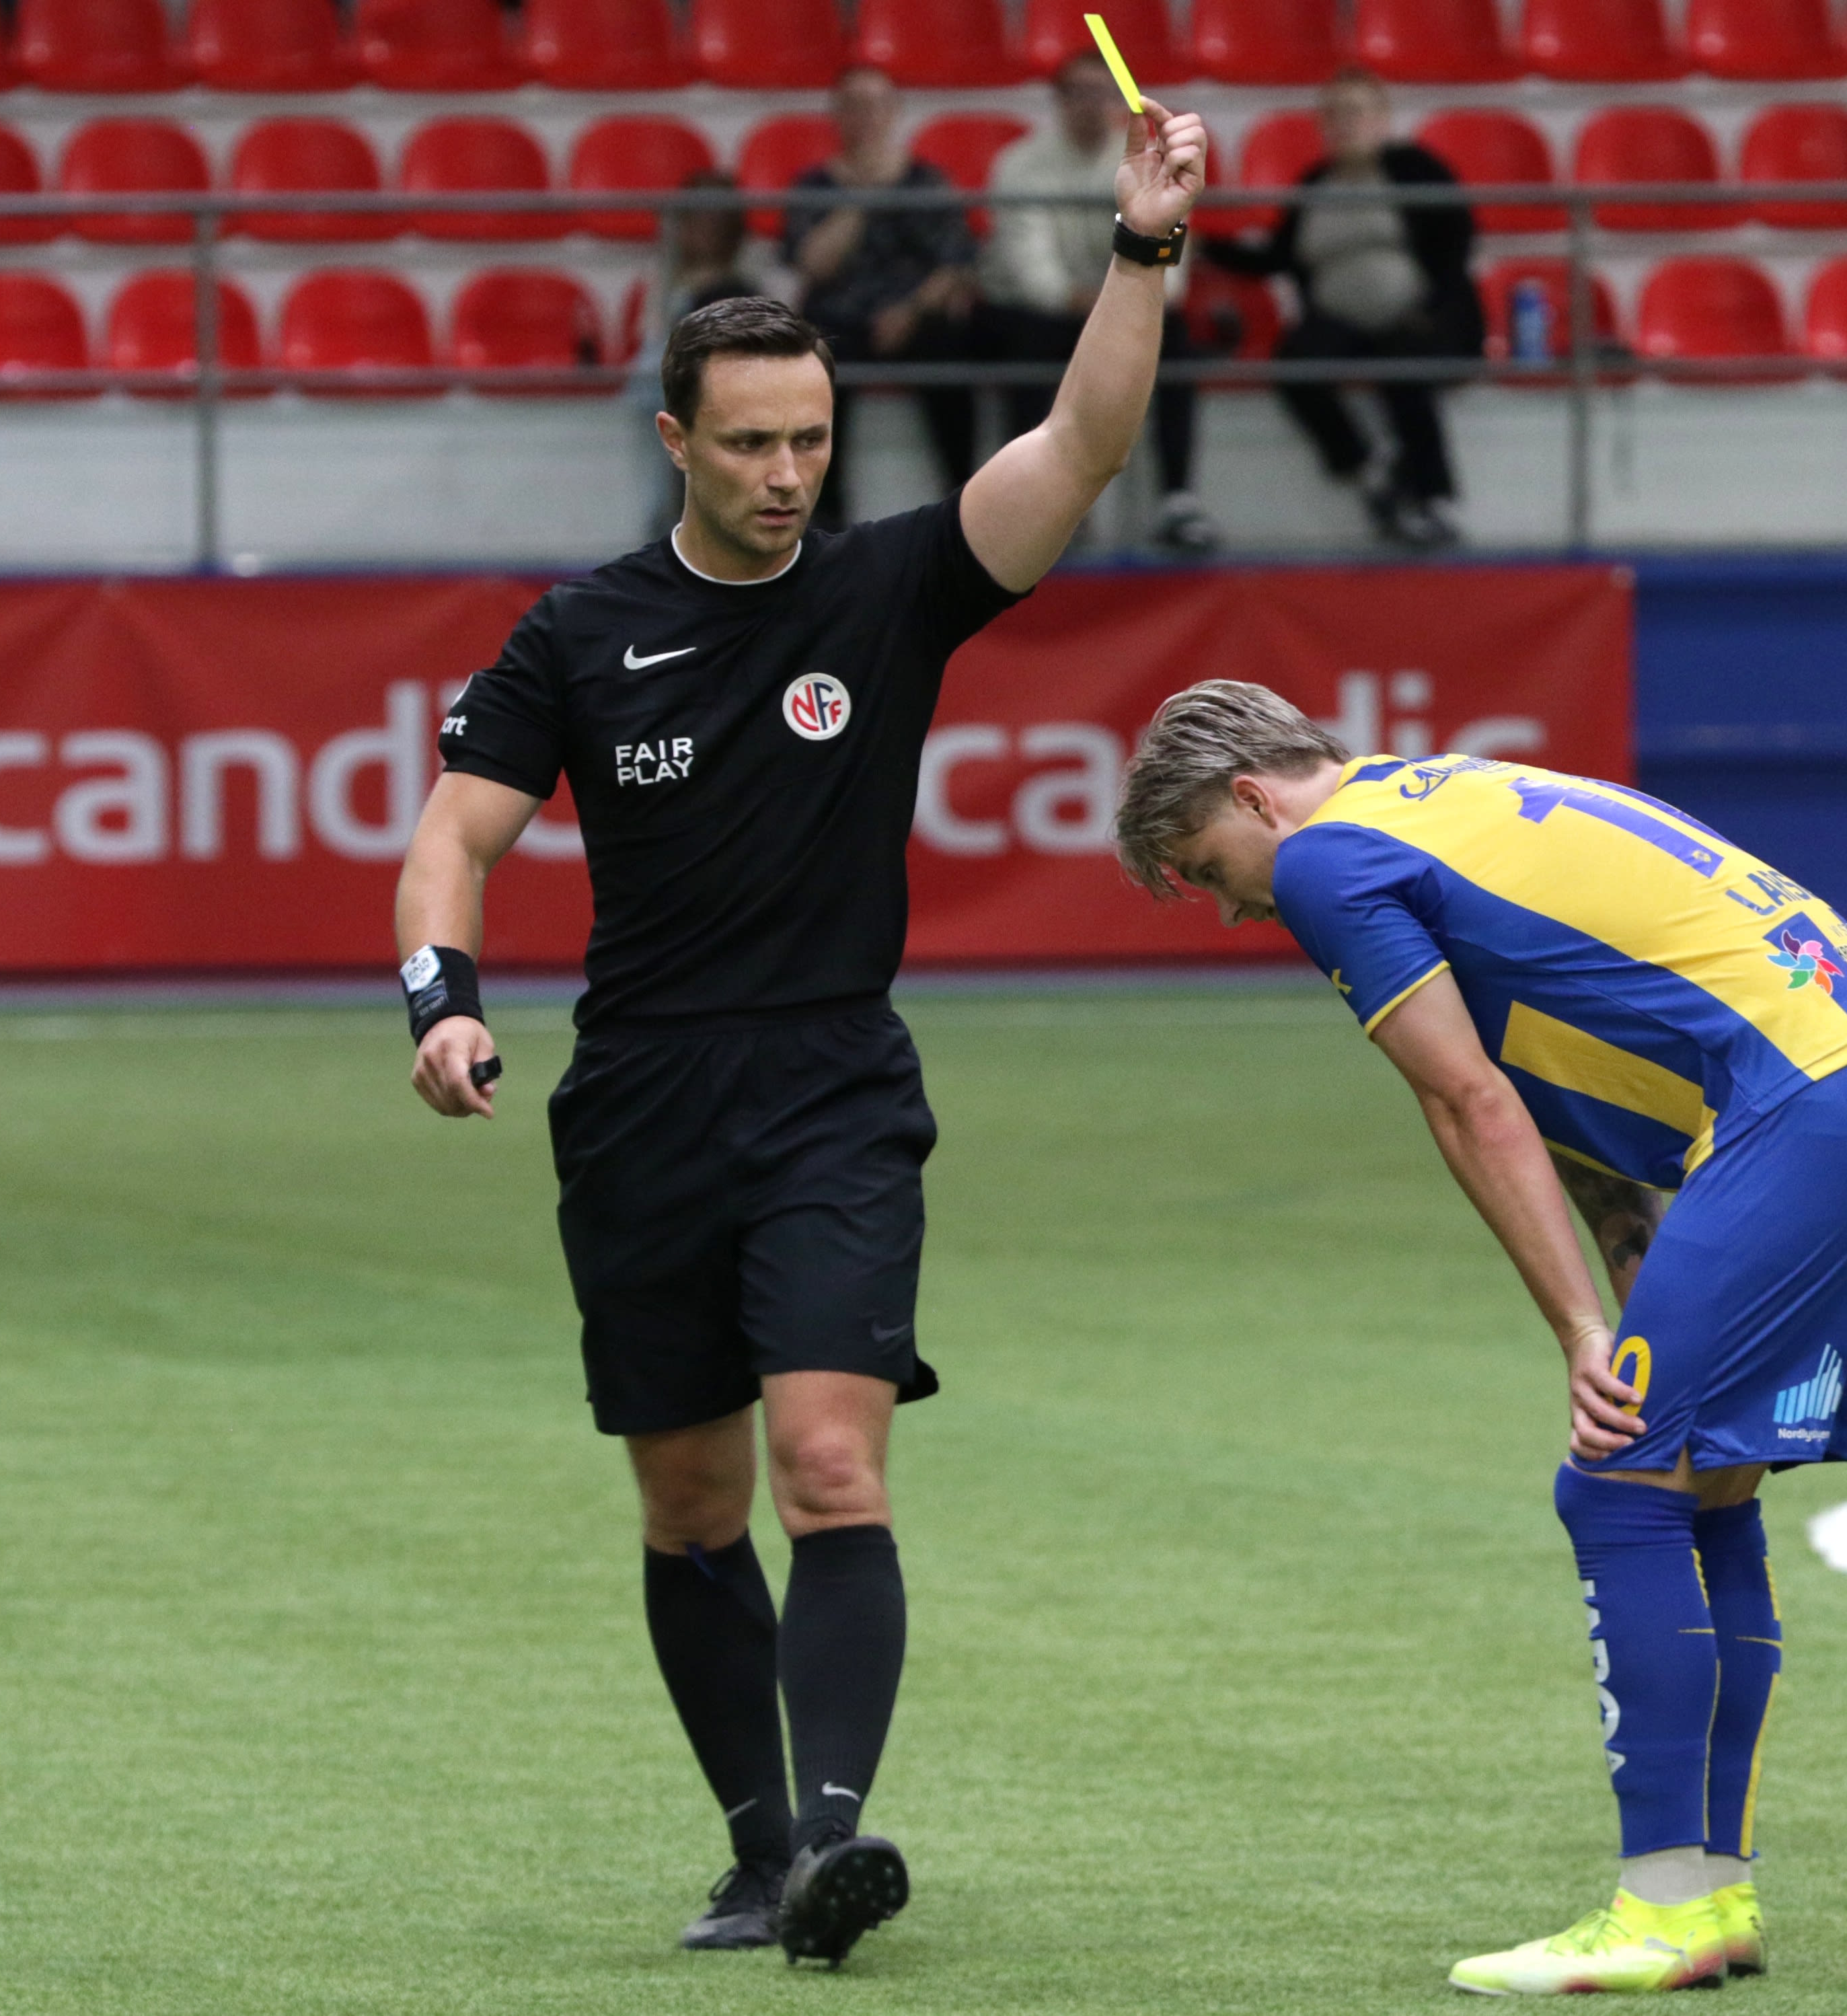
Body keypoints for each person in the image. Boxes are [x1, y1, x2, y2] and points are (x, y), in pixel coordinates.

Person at [390, 102, 1210, 1968]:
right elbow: (453, 839)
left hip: (834, 1086)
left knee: (831, 1465)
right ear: (674, 440)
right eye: (753, 442)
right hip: (641, 1104)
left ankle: (835, 1846)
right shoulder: (575, 636)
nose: (787, 474)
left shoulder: (886, 586)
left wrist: (1140, 245)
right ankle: (757, 1852)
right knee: (689, 1503)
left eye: (813, 440)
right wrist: (443, 1003)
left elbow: (1084, 442)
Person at [1111, 685, 1847, 1993]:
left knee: (1615, 1484)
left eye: (1212, 871)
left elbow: (1469, 1102)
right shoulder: (1444, 796)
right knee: (1706, 1485)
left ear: (1252, 799)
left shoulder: (1326, 858)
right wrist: (1627, 1262)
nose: (1234, 909)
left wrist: (1578, 1326)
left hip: (1806, 1104)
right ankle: (1713, 1894)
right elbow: (1560, 1067)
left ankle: (1662, 1906)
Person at [1207, 69, 1483, 549]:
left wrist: (1429, 307)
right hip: (1339, 320)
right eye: (1333, 114)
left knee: (1405, 368)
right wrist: (1203, 245)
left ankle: (1434, 499)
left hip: (1418, 313)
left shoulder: (1414, 168)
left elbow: (1454, 241)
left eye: (1355, 112)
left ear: (1382, 119)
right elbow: (1276, 256)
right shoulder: (1314, 184)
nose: (1344, 123)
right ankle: (1365, 466)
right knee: (1295, 363)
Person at [980, 50, 1217, 555]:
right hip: (1049, 312)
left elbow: (1173, 264)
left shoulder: (1153, 161)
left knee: (1174, 340)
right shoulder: (1019, 164)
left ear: (1117, 99)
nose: (1090, 105)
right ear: (1059, 100)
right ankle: (1042, 504)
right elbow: (1030, 269)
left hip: (1120, 300)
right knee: (1025, 341)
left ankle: (1178, 498)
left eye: (1100, 93)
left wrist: (1126, 300)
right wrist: (1104, 300)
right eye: (1079, 93)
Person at [785, 66, 980, 529]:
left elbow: (954, 264)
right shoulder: (814, 185)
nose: (866, 116)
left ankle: (966, 505)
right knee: (814, 366)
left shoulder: (927, 181)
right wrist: (862, 195)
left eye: (876, 105)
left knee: (954, 349)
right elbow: (814, 264)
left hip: (916, 313)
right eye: (854, 105)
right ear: (836, 114)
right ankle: (824, 512)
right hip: (840, 316)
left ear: (894, 112)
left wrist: (910, 310)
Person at [630, 168, 771, 540]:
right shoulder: (666, 279)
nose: (703, 232)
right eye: (696, 222)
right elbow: (652, 342)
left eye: (714, 223)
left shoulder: (748, 280)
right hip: (670, 398)